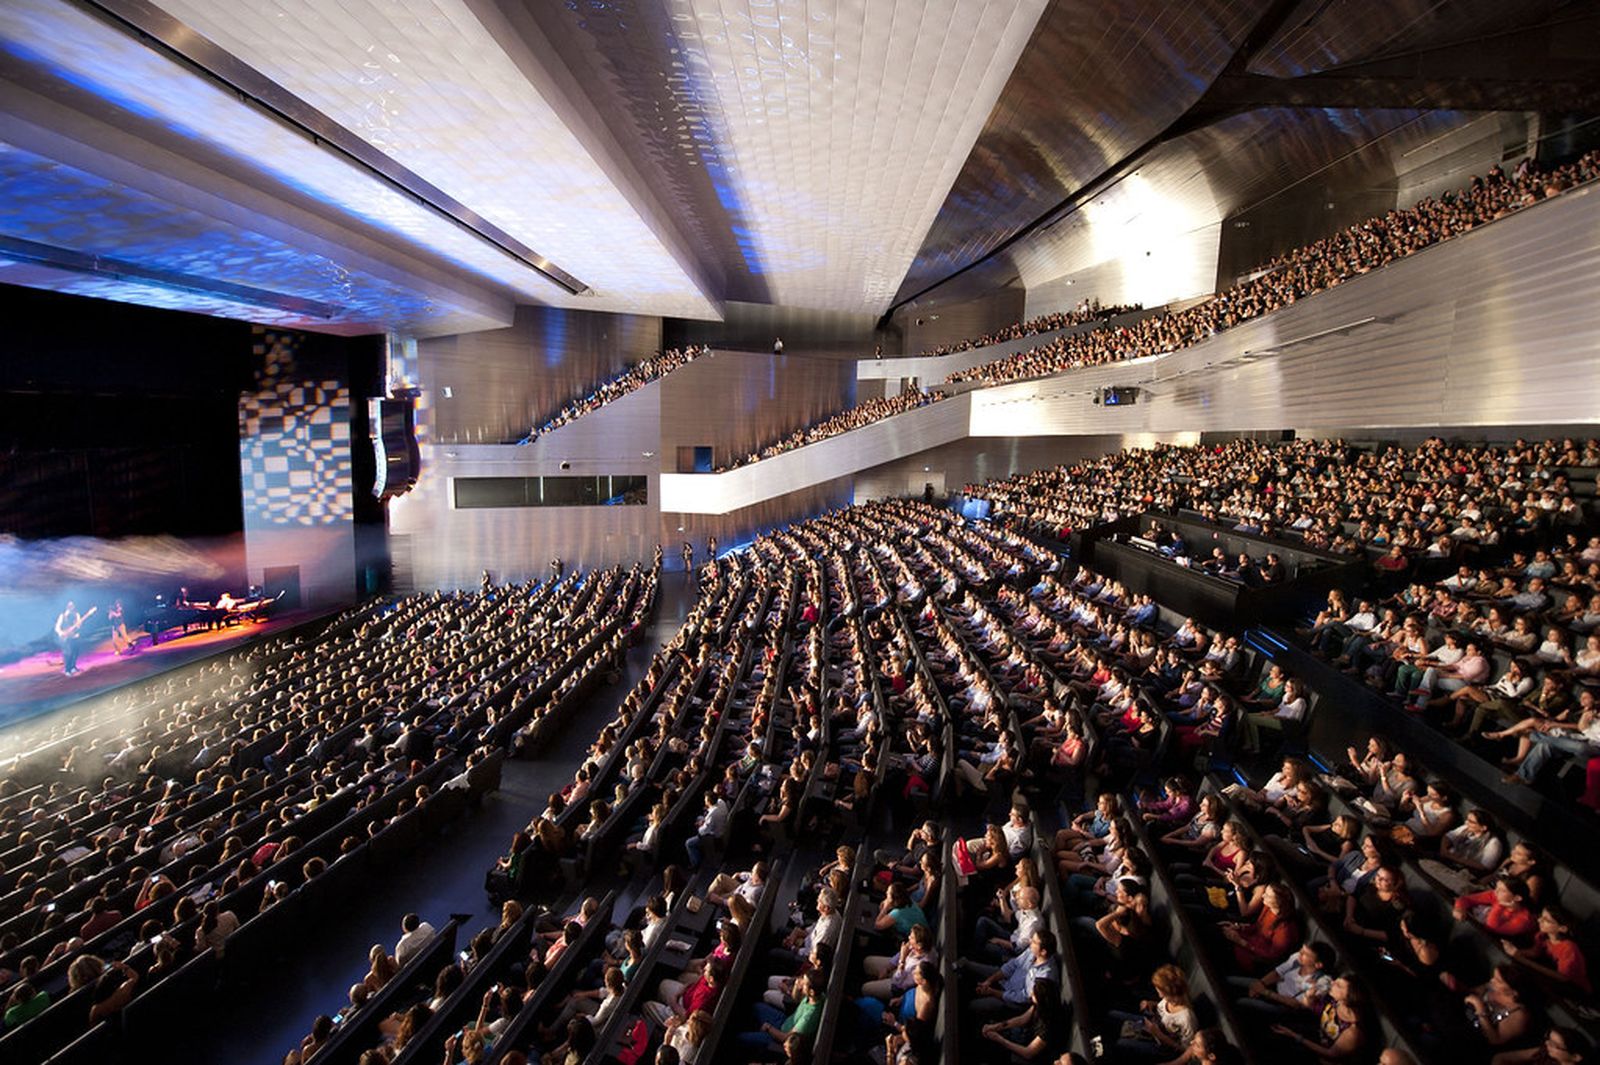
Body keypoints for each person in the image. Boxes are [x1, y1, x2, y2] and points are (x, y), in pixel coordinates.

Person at [55, 600, 90, 676]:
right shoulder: (62, 615)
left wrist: (78, 625)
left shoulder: (77, 615)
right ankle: (67, 670)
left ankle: (73, 667)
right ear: (66, 606)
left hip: (75, 636)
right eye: (69, 605)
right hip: (66, 638)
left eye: (72, 605)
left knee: (75, 652)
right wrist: (62, 633)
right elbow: (57, 627)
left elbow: (79, 625)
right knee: (68, 654)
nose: (71, 606)